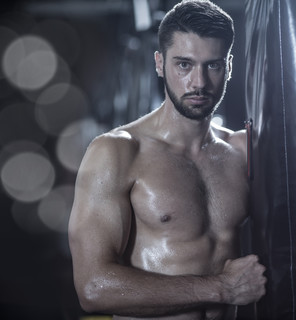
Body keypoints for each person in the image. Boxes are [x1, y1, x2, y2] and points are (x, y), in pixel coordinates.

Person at [68, 1, 267, 319]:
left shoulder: (243, 151)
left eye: (212, 65)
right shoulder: (117, 152)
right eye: (184, 65)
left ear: (229, 65)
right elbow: (93, 288)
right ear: (160, 63)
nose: (199, 82)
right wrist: (222, 289)